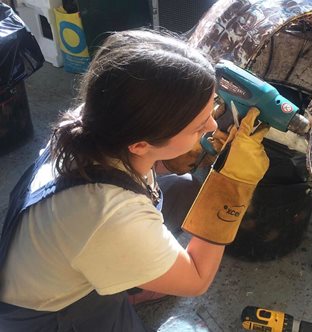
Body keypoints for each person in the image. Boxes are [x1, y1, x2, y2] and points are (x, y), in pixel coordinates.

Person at [0, 29, 269, 331]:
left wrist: (173, 156)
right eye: (198, 126)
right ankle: (123, 290)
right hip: (52, 314)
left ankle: (128, 280)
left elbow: (126, 168)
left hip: (56, 259)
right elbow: (196, 278)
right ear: (141, 144)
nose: (210, 126)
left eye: (212, 110)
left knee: (183, 186)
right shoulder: (107, 215)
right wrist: (231, 186)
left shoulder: (93, 118)